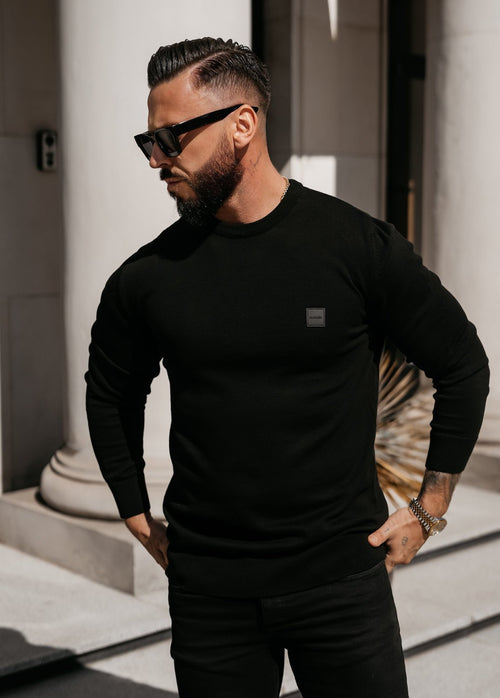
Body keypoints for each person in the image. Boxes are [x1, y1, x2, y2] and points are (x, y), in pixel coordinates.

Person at [85, 37, 489, 698]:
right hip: (211, 592)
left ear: (242, 125)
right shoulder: (147, 278)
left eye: (170, 137)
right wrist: (133, 509)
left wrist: (429, 508)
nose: (156, 159)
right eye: (147, 141)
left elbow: (463, 365)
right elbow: (110, 393)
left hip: (342, 582)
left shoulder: (355, 246)